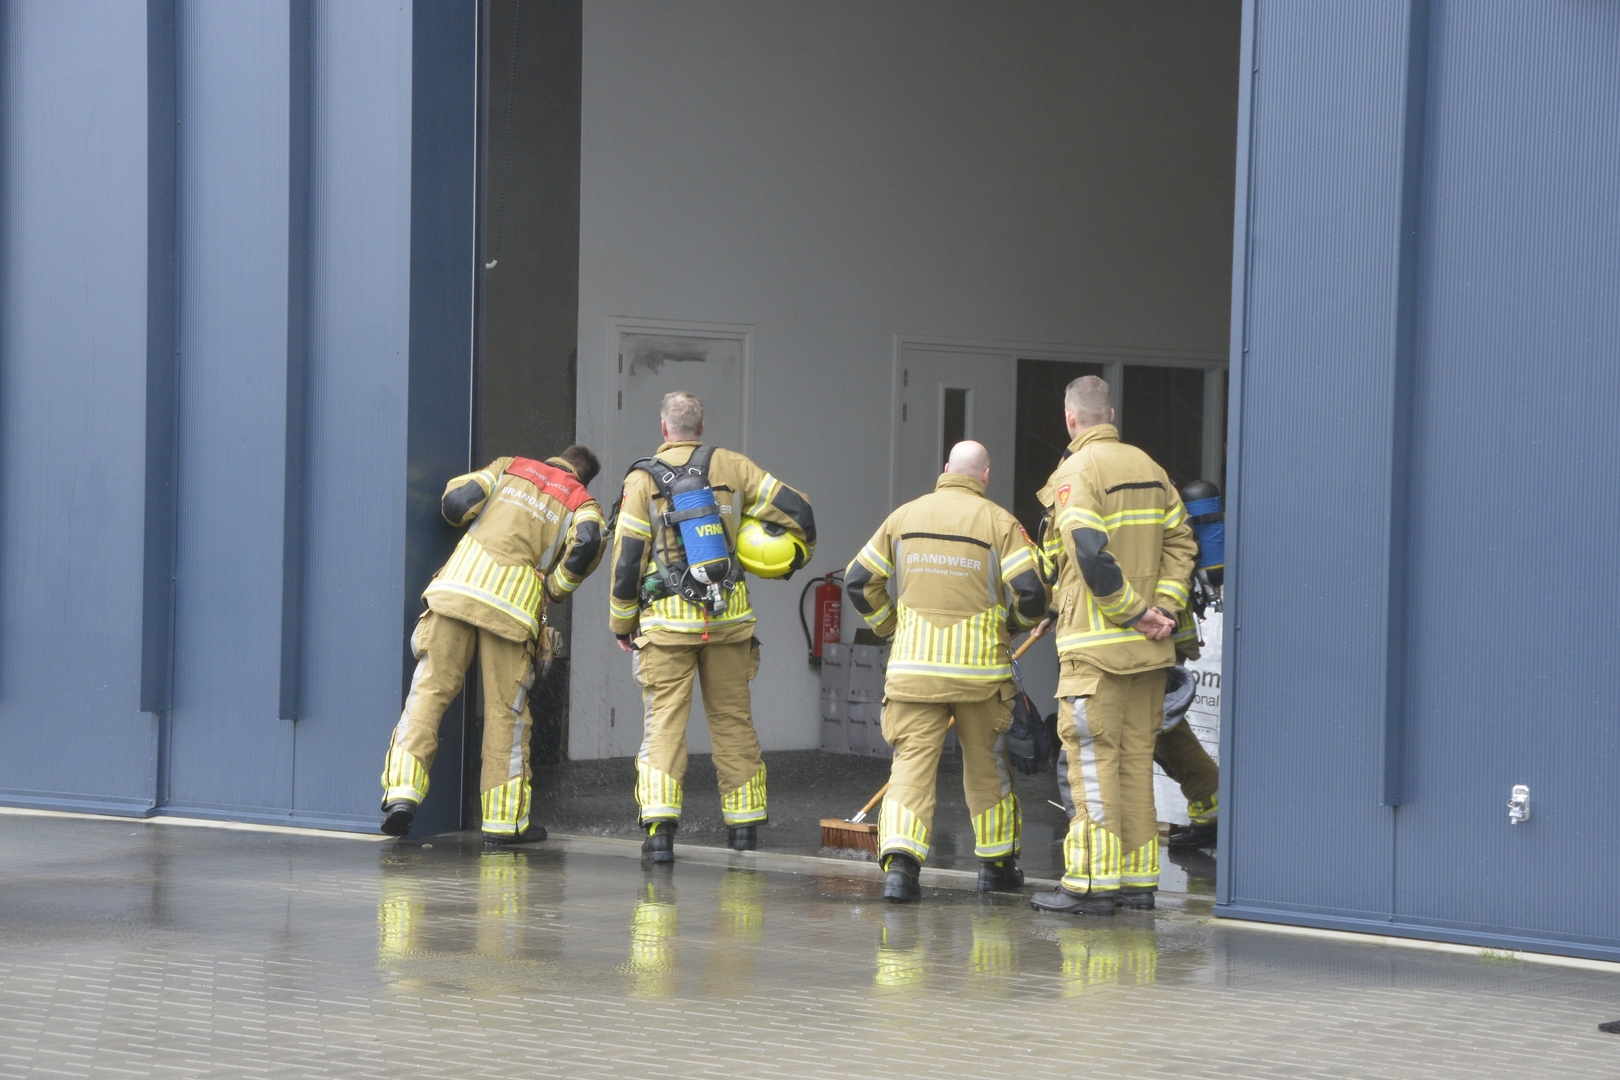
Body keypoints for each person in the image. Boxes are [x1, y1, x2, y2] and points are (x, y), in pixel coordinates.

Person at [608, 391, 815, 862]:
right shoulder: (735, 466)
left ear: (664, 429)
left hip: (665, 626)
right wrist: (791, 560)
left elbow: (627, 560)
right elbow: (799, 513)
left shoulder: (641, 480)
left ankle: (659, 833)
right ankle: (743, 830)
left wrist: (622, 621)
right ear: (701, 428)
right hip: (730, 621)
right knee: (732, 722)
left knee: (663, 725)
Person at [845, 441, 1052, 903]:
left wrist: (890, 625)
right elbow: (1031, 592)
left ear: (945, 471)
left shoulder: (903, 518)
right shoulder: (1000, 523)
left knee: (911, 768)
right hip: (980, 674)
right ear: (985, 476)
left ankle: (900, 867)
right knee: (987, 768)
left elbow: (859, 581)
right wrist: (1011, 627)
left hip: (913, 672)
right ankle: (996, 868)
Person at [379, 447, 606, 846]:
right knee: (507, 713)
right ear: (583, 477)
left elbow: (456, 503)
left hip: (456, 592)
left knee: (428, 693)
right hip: (511, 612)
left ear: (555, 458)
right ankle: (504, 824)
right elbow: (587, 543)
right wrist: (554, 589)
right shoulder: (582, 503)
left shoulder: (509, 467)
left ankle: (402, 795)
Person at [1031, 377, 1196, 916]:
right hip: (1149, 654)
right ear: (1112, 414)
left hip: (1096, 655)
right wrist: (1164, 610)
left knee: (1093, 768)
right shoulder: (1151, 467)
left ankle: (1092, 884)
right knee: (1132, 764)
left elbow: (1086, 549)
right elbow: (1181, 542)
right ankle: (1136, 880)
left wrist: (1130, 610)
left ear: (1070, 419)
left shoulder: (1077, 471)